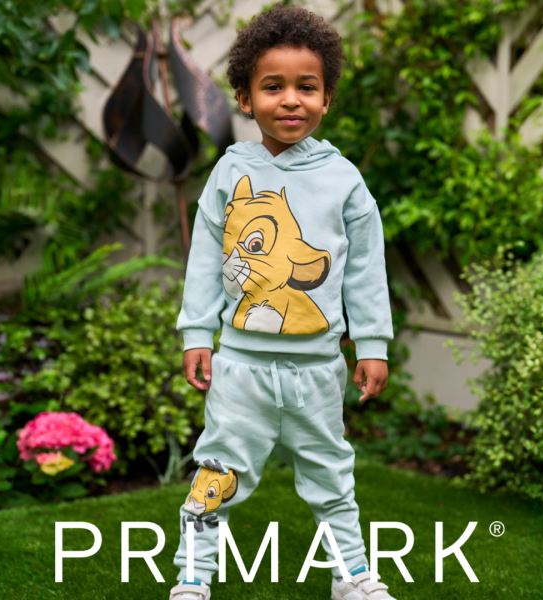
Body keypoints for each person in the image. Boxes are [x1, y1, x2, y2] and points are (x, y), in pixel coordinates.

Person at [170, 4, 395, 599]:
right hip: (239, 368)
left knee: (332, 478)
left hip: (317, 371)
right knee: (216, 473)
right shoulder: (230, 172)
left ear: (327, 99)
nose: (291, 100)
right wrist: (197, 332)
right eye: (273, 87)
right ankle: (193, 577)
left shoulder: (344, 181)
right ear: (245, 99)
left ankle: (353, 578)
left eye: (307, 87)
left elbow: (366, 269)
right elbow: (205, 259)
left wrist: (372, 343)